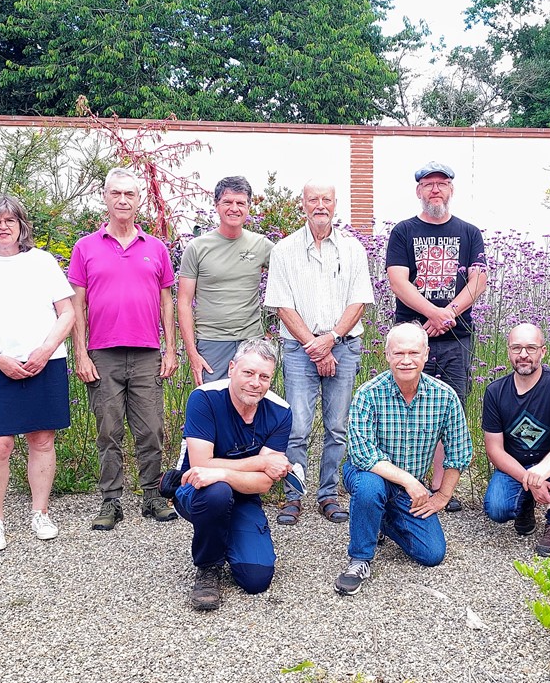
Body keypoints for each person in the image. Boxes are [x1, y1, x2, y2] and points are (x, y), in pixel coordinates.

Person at [0, 194, 75, 551]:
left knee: (42, 439)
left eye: (10, 220)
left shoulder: (42, 262)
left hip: (45, 362)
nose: (3, 227)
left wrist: (45, 349)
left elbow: (66, 313)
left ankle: (40, 512)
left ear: (22, 226)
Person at [69, 167, 179, 530]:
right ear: (105, 197)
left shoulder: (157, 248)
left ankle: (152, 496)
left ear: (139, 200)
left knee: (151, 429)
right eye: (115, 193)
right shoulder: (85, 247)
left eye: (129, 194)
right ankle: (111, 502)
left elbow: (167, 303)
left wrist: (171, 349)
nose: (122, 200)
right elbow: (77, 305)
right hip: (102, 354)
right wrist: (81, 353)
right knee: (108, 430)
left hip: (148, 353)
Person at [264, 180, 374, 525]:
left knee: (337, 427)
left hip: (344, 346)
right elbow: (282, 305)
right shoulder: (284, 250)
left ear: (335, 203)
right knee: (297, 426)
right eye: (313, 199)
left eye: (327, 198)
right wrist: (315, 345)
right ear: (303, 204)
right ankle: (293, 495)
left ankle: (328, 494)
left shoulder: (353, 249)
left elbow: (359, 301)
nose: (320, 205)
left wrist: (331, 339)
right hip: (299, 349)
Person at [334, 323, 472, 596]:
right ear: (386, 355)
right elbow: (363, 455)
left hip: (406, 487)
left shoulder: (445, 397)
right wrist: (409, 480)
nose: (406, 360)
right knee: (370, 488)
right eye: (398, 353)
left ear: (426, 354)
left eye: (413, 353)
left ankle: (379, 517)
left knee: (432, 553)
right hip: (368, 473)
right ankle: (360, 559)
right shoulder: (368, 394)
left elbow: (459, 453)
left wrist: (442, 496)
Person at [386, 160, 487, 512]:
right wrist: (432, 314)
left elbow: (478, 280)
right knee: (406, 407)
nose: (435, 190)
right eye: (428, 184)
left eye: (441, 184)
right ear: (418, 191)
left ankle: (442, 486)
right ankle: (405, 482)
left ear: (451, 190)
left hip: (455, 339)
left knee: (450, 408)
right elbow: (398, 280)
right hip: (412, 337)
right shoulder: (404, 231)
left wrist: (449, 315)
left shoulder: (470, 233)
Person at [170, 340, 293, 610]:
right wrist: (260, 462)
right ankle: (208, 567)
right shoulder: (204, 397)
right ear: (232, 368)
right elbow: (201, 465)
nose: (255, 383)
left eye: (264, 377)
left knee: (256, 579)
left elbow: (263, 483)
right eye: (248, 373)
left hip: (246, 492)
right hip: (197, 487)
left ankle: (227, 534)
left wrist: (223, 471)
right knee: (217, 493)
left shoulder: (280, 412)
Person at [482, 323, 550, 555]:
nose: (523, 355)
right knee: (496, 509)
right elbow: (494, 450)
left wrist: (544, 468)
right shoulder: (495, 391)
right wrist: (530, 480)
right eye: (516, 348)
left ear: (543, 351)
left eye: (531, 348)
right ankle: (525, 503)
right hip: (516, 466)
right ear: (508, 351)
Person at [178, 175, 273, 386]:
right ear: (216, 205)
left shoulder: (262, 245)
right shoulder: (197, 248)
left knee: (251, 405)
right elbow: (183, 303)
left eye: (241, 203)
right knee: (214, 407)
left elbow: (288, 280)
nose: (234, 208)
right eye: (227, 202)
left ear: (249, 207)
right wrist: (192, 354)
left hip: (251, 342)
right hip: (212, 344)